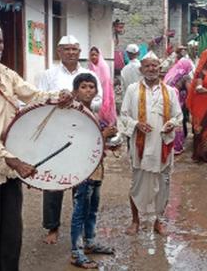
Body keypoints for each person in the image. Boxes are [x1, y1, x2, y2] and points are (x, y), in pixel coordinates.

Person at [0, 19, 73, 271]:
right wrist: (12, 159)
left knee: (12, 237)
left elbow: (32, 95)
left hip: (10, 168)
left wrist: (58, 96)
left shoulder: (5, 73)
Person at [39, 35, 102, 244]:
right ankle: (52, 227)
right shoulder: (48, 74)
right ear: (59, 52)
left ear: (79, 51)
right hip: (56, 134)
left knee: (81, 180)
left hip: (82, 133)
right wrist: (60, 99)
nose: (71, 53)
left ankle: (81, 227)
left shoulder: (89, 74)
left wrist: (79, 100)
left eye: (75, 49)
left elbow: (100, 100)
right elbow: (39, 98)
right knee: (53, 182)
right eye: (66, 49)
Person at [120, 51, 182, 236]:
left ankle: (158, 221)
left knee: (163, 185)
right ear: (141, 69)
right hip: (141, 146)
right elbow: (123, 115)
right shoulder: (132, 90)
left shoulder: (169, 91)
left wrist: (171, 124)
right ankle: (135, 221)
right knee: (137, 184)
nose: (151, 69)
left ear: (160, 68)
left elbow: (178, 116)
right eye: (147, 66)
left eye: (154, 65)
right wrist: (136, 124)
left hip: (161, 145)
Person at [70, 73, 116, 269]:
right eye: (83, 87)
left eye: (91, 87)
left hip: (96, 168)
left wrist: (107, 142)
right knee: (80, 210)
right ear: (75, 91)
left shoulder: (93, 113)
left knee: (92, 209)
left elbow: (96, 143)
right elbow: (75, 142)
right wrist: (103, 134)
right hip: (81, 170)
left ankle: (89, 242)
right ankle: (76, 251)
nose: (88, 90)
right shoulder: (75, 113)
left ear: (96, 91)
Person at [164, 55, 193, 154]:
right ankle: (177, 147)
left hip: (166, 97)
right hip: (175, 98)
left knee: (168, 120)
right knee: (177, 121)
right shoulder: (185, 76)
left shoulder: (172, 72)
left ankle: (167, 144)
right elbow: (190, 92)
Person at [88, 46, 117, 125]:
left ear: (99, 55)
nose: (93, 57)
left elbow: (106, 84)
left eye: (95, 55)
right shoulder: (90, 67)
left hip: (104, 94)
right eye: (91, 55)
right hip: (92, 95)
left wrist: (104, 99)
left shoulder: (103, 66)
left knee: (104, 118)